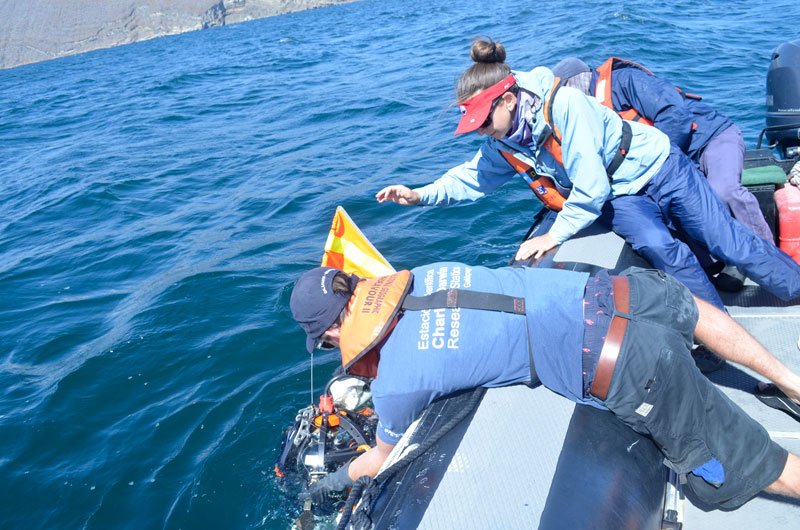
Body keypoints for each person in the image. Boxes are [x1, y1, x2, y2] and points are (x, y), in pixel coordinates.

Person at [290, 262, 800, 510]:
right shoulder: (422, 273)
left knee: (753, 466)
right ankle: (790, 382)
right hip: (617, 288)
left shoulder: (395, 385)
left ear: (333, 331)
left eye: (327, 340)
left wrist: (326, 485)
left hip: (625, 361)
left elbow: (380, 459)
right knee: (691, 311)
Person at [375, 39, 800, 311]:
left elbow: (590, 187)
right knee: (663, 251)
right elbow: (469, 178)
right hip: (623, 197)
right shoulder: (504, 141)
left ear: (506, 100)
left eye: (483, 121)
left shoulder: (566, 107)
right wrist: (419, 195)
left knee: (726, 239)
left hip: (658, 167)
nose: (481, 131)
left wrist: (551, 236)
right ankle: (719, 335)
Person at [552, 56, 773, 289]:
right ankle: (719, 263)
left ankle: (764, 254)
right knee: (670, 208)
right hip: (670, 160)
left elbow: (675, 115)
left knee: (722, 189)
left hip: (711, 138)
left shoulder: (625, 81)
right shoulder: (581, 120)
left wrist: (673, 167)